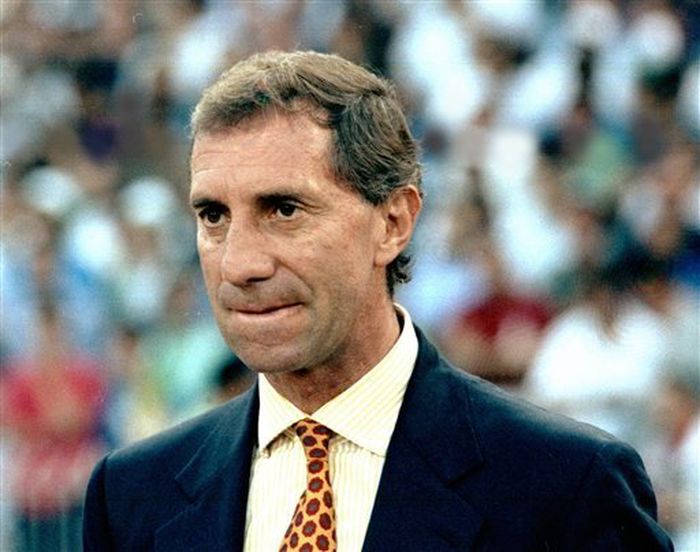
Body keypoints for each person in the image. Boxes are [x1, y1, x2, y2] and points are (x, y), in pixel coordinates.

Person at [83, 50, 673, 551]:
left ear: (393, 222)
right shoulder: (134, 495)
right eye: (213, 215)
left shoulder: (565, 486)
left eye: (284, 209)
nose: (239, 263)